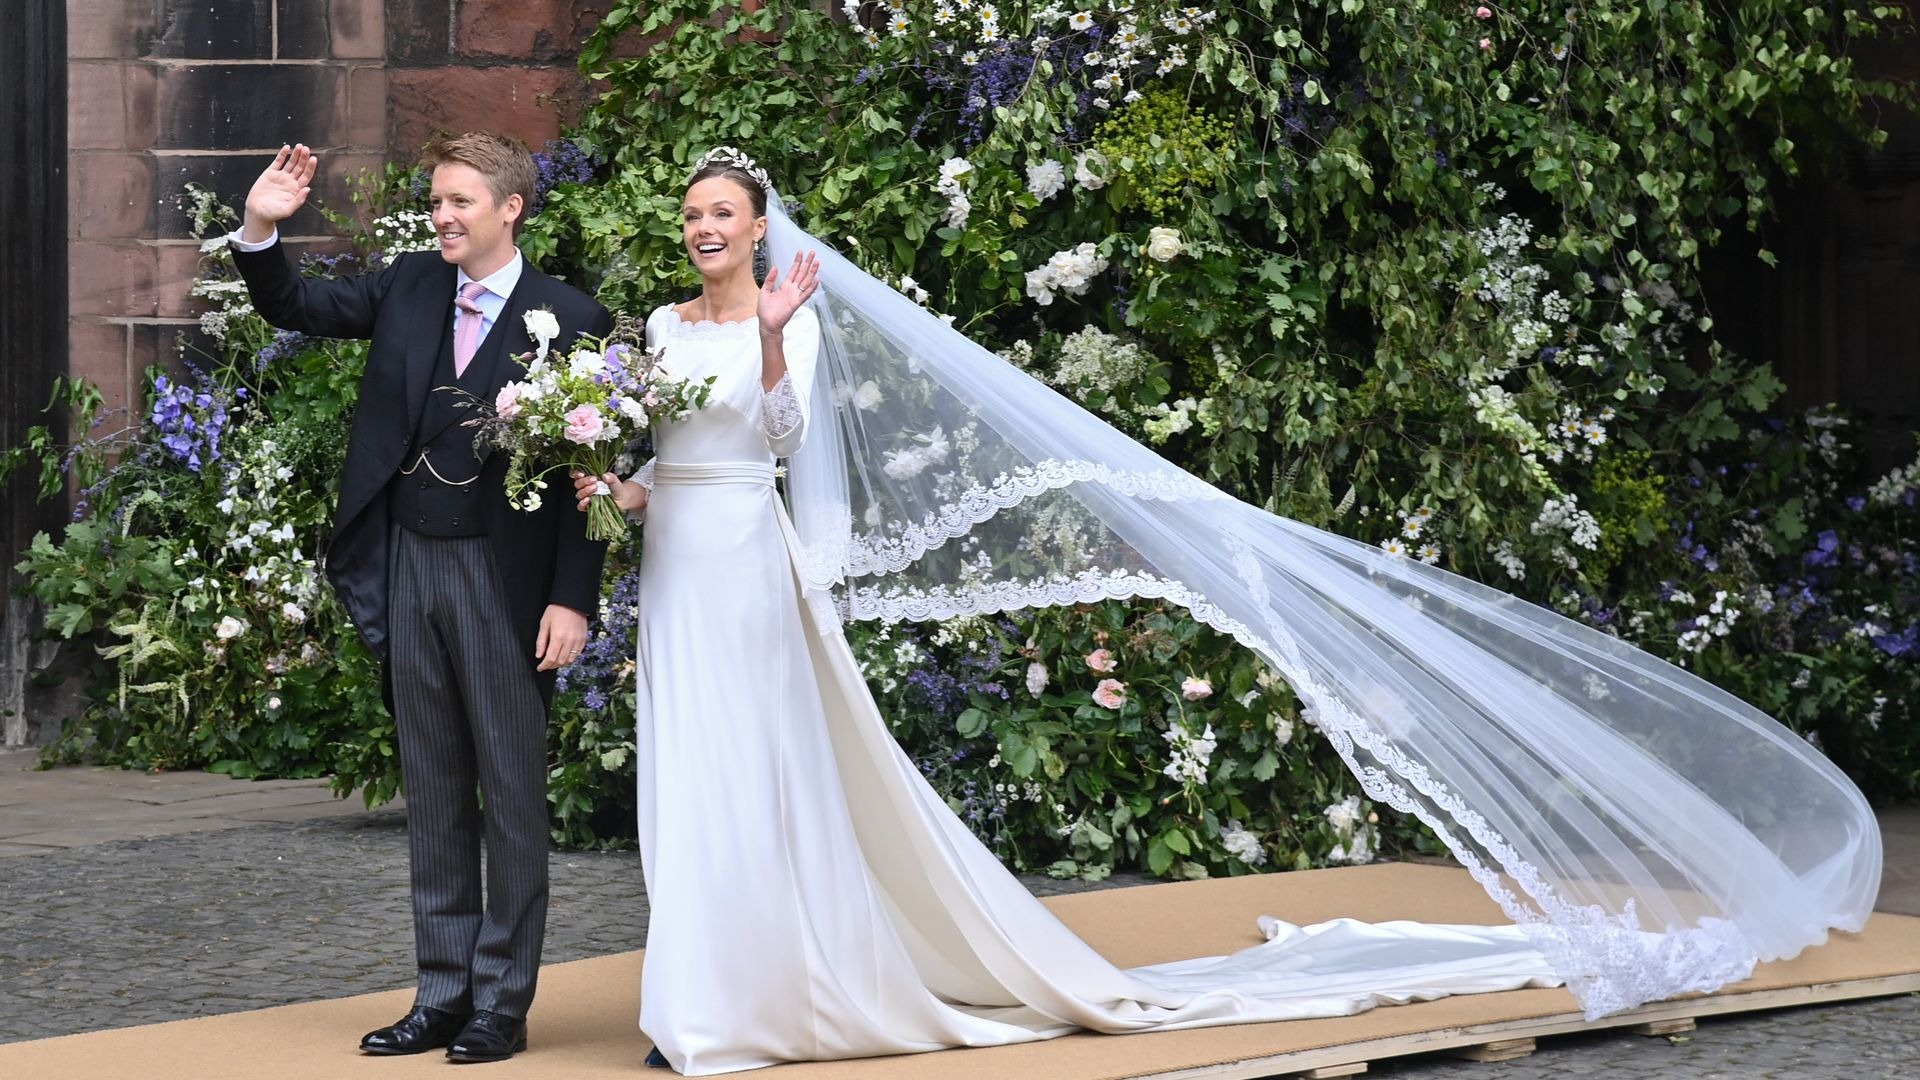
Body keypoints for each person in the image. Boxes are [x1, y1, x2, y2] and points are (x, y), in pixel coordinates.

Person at [578, 149, 1880, 1076]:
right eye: (691, 215)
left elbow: (785, 436)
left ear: (758, 229)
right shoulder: (655, 320)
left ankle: (741, 1004)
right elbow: (672, 459)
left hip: (752, 560)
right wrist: (607, 482)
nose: (701, 230)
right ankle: (690, 994)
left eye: (721, 214)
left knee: (758, 774)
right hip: (682, 556)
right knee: (684, 777)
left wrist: (765, 339)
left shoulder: (786, 323)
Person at [231, 134, 611, 1064]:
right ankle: (442, 993)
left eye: (459, 202)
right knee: (434, 789)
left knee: (515, 797)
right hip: (409, 563)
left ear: (510, 207)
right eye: (437, 201)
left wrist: (573, 598)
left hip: (505, 578)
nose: (442, 216)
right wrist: (259, 228)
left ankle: (501, 1003)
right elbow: (296, 304)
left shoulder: (571, 317)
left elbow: (587, 480)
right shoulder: (407, 284)